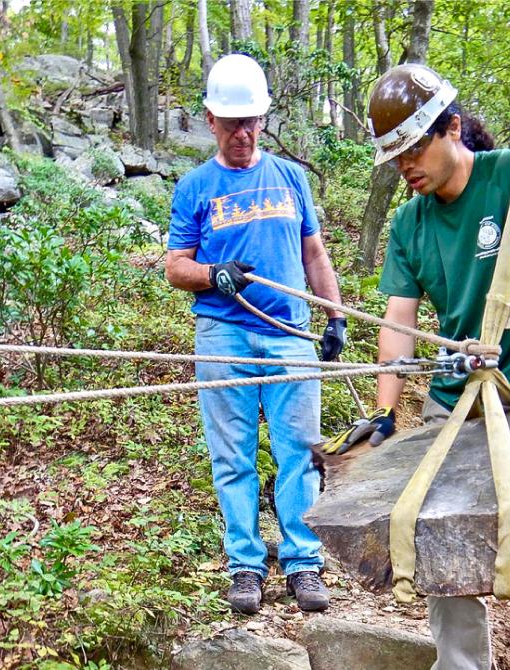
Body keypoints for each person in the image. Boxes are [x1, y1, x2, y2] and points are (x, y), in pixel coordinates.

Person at [329, 63, 510, 669]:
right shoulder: (409, 222)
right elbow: (398, 326)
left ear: (452, 128)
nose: (406, 167)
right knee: (440, 544)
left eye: (414, 148)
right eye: (395, 157)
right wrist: (383, 410)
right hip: (452, 404)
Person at [164, 54, 346, 615]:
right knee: (233, 457)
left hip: (291, 332)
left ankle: (303, 563)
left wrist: (334, 315)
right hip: (223, 335)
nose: (242, 133)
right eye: (231, 122)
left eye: (251, 122)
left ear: (263, 120)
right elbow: (175, 265)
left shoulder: (290, 178)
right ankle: (245, 564)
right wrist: (212, 275)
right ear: (210, 120)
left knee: (300, 453)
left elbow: (313, 252)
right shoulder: (195, 186)